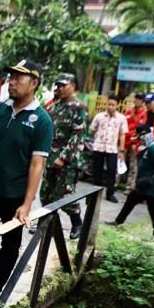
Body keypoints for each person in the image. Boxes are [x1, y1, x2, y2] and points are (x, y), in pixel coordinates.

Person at [0, 59, 53, 303]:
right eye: (10, 77)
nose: (11, 82)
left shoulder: (41, 120)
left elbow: (37, 165)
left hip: (15, 194)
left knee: (10, 244)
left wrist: (27, 203)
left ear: (34, 83)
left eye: (18, 78)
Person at [108, 123, 154, 242]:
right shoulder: (150, 147)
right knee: (132, 200)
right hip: (145, 185)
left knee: (153, 209)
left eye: (140, 137)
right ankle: (119, 221)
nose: (140, 140)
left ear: (145, 135)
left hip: (153, 186)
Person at [42, 73, 87, 240]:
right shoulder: (54, 106)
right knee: (45, 194)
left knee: (64, 196)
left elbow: (78, 135)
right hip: (50, 158)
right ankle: (46, 225)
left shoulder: (78, 107)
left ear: (73, 86)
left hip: (67, 162)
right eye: (58, 85)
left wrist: (63, 157)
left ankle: (77, 223)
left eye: (64, 85)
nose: (60, 88)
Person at [88, 94, 126, 203]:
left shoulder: (121, 118)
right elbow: (93, 129)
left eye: (113, 105)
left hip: (112, 149)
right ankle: (94, 193)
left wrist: (121, 150)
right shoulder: (99, 116)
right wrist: (98, 138)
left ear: (117, 106)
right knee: (97, 171)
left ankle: (110, 194)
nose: (110, 107)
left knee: (111, 171)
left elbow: (123, 134)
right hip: (99, 147)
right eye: (109, 104)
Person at [123, 93, 147, 190]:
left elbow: (141, 129)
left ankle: (129, 187)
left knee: (133, 166)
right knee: (121, 163)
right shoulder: (129, 111)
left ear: (142, 101)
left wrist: (135, 142)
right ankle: (114, 183)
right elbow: (123, 124)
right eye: (136, 98)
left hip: (135, 142)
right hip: (124, 141)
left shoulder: (144, 113)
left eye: (139, 99)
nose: (137, 100)